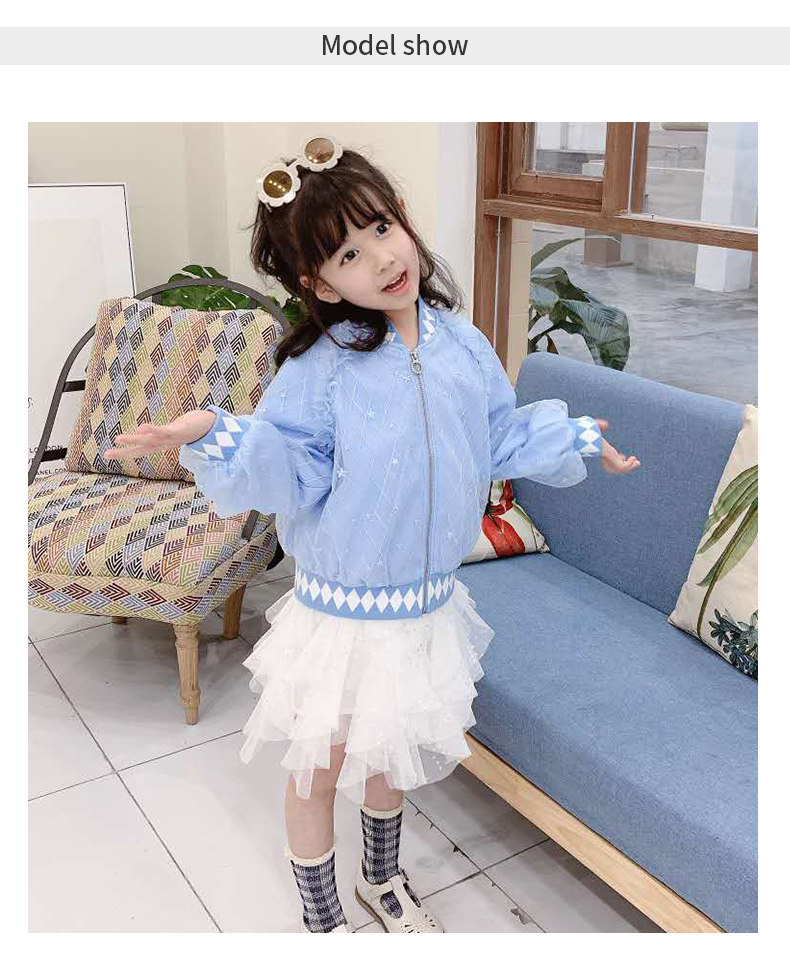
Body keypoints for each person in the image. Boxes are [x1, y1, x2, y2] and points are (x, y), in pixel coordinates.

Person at [104, 137, 641, 933]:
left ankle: (381, 884)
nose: (383, 258)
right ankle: (323, 918)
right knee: (318, 767)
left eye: (383, 228)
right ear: (320, 283)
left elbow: (496, 438)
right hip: (343, 614)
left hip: (424, 606)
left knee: (391, 757)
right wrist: (215, 431)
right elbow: (288, 463)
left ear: (404, 219)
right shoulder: (322, 368)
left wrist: (578, 438)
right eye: (349, 254)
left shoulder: (462, 345)